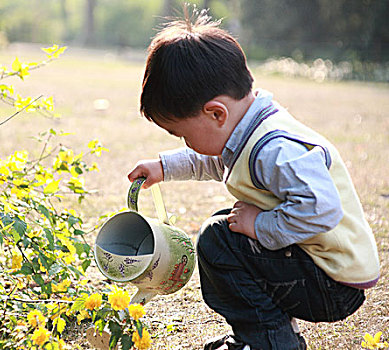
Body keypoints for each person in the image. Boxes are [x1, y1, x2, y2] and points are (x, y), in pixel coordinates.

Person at [127, 8, 380, 350]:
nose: (185, 144)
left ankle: (271, 343)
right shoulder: (246, 129)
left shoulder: (275, 149)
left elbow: (322, 210)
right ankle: (263, 336)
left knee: (219, 240)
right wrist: (164, 166)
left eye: (183, 135)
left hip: (333, 283)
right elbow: (217, 159)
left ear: (217, 113)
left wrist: (260, 225)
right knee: (227, 227)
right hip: (320, 267)